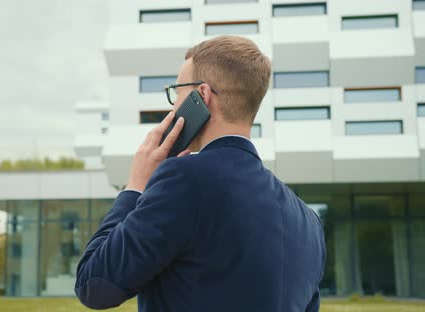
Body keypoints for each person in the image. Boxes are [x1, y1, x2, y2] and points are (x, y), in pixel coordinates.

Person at [74, 35, 326, 312]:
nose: (174, 106)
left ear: (202, 96)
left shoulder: (183, 179)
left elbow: (94, 285)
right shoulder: (308, 221)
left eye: (178, 93)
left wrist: (135, 186)